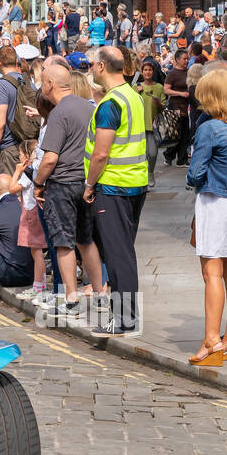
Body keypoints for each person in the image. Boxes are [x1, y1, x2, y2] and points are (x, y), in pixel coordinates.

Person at [83, 46, 149, 336]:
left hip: (113, 186)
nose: (88, 69)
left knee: (118, 254)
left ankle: (124, 319)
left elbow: (100, 154)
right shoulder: (132, 96)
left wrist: (89, 184)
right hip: (135, 183)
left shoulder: (110, 104)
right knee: (124, 252)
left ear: (101, 68)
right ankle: (125, 316)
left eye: (90, 64)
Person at [32, 60, 105, 320]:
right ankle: (99, 296)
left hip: (62, 185)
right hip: (86, 183)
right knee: (86, 241)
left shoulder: (59, 113)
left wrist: (38, 184)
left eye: (42, 83)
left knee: (63, 243)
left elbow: (50, 158)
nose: (41, 88)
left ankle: (72, 299)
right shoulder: (89, 108)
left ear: (50, 84)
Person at [185, 68, 227, 365]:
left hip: (215, 203)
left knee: (212, 273)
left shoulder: (210, 128)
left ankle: (212, 340)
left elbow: (195, 174)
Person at [0, 45, 36, 177]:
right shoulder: (28, 82)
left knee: (11, 192)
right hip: (29, 145)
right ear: (16, 61)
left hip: (10, 147)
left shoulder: (2, 85)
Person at [9, 138, 47, 300]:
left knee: (36, 250)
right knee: (36, 250)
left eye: (19, 154)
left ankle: (38, 286)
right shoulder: (38, 171)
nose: (18, 158)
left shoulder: (28, 172)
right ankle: (41, 283)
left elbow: (11, 189)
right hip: (35, 210)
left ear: (26, 156)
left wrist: (17, 170)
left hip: (31, 213)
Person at [135, 58, 164, 190]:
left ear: (153, 71)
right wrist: (136, 92)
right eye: (145, 70)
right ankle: (141, 179)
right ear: (142, 72)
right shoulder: (136, 87)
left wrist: (158, 103)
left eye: (150, 70)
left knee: (152, 153)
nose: (147, 72)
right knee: (139, 155)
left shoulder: (159, 87)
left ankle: (150, 173)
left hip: (152, 126)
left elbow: (163, 107)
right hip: (138, 126)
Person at [162, 48, 191, 166]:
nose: (187, 61)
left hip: (185, 108)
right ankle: (169, 156)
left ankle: (182, 159)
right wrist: (180, 94)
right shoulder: (172, 74)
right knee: (175, 134)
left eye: (187, 58)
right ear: (177, 60)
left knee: (185, 134)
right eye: (184, 59)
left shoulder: (189, 72)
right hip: (175, 107)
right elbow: (166, 90)